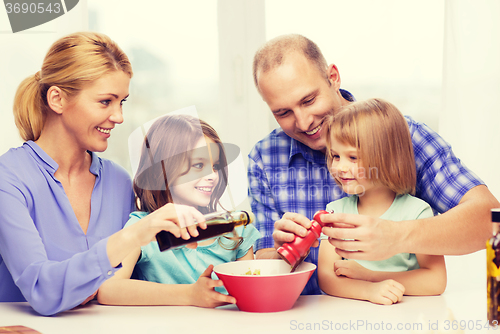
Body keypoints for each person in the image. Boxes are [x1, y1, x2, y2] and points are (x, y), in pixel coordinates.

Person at [248, 34, 498, 295]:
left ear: (333, 77)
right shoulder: (265, 157)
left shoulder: (400, 136)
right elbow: (266, 272)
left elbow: (490, 220)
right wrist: (282, 255)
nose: (302, 122)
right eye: (283, 113)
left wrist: (396, 236)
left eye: (308, 100)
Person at [0, 32, 205, 316]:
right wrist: (135, 234)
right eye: (105, 101)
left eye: (122, 102)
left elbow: (126, 280)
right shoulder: (9, 179)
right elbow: (42, 291)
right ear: (57, 99)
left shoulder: (118, 181)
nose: (119, 116)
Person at [97, 114, 260, 307]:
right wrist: (190, 295)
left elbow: (253, 293)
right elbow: (108, 290)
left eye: (215, 166)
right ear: (163, 170)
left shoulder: (236, 231)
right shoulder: (143, 229)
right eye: (198, 165)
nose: (212, 176)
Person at [317, 98, 447, 305]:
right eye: (335, 156)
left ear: (388, 158)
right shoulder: (335, 213)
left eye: (352, 157)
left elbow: (435, 280)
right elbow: (326, 278)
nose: (340, 167)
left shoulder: (417, 212)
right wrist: (368, 291)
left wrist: (370, 276)